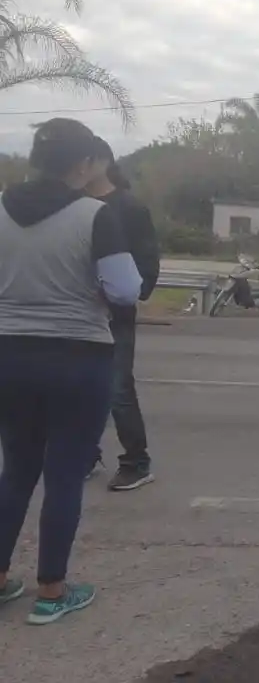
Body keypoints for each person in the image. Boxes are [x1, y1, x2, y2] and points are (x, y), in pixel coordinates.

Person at [0, 118, 142, 624]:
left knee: (16, 468)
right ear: (82, 165)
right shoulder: (95, 215)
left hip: (10, 353)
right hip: (77, 355)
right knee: (64, 475)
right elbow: (126, 289)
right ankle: (52, 591)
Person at [84, 138, 160, 492]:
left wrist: (124, 293)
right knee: (78, 388)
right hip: (73, 313)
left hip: (114, 314)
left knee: (117, 390)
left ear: (100, 162)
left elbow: (146, 264)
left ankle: (136, 461)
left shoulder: (128, 207)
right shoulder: (72, 205)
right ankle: (84, 454)